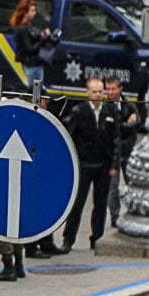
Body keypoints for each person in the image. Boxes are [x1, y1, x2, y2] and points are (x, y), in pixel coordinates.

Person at [60, 76, 117, 252]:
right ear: (87, 93)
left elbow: (116, 140)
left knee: (100, 205)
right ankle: (68, 239)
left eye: (100, 91)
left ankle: (97, 238)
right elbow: (70, 137)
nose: (98, 95)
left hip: (103, 166)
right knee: (77, 205)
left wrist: (114, 164)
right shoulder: (79, 111)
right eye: (94, 92)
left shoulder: (111, 111)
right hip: (84, 166)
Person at [104, 75, 141, 228]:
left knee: (132, 184)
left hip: (127, 152)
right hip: (112, 154)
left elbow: (138, 123)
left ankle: (135, 213)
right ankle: (114, 217)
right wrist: (126, 124)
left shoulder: (129, 106)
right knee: (113, 188)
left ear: (120, 89)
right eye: (109, 89)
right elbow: (113, 128)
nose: (111, 92)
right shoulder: (105, 107)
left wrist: (126, 125)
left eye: (114, 89)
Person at [9, 0, 54, 102]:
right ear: (25, 12)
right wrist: (42, 39)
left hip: (36, 63)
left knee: (38, 91)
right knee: (33, 92)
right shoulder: (22, 29)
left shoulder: (30, 27)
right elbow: (29, 49)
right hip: (31, 64)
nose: (35, 13)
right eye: (32, 10)